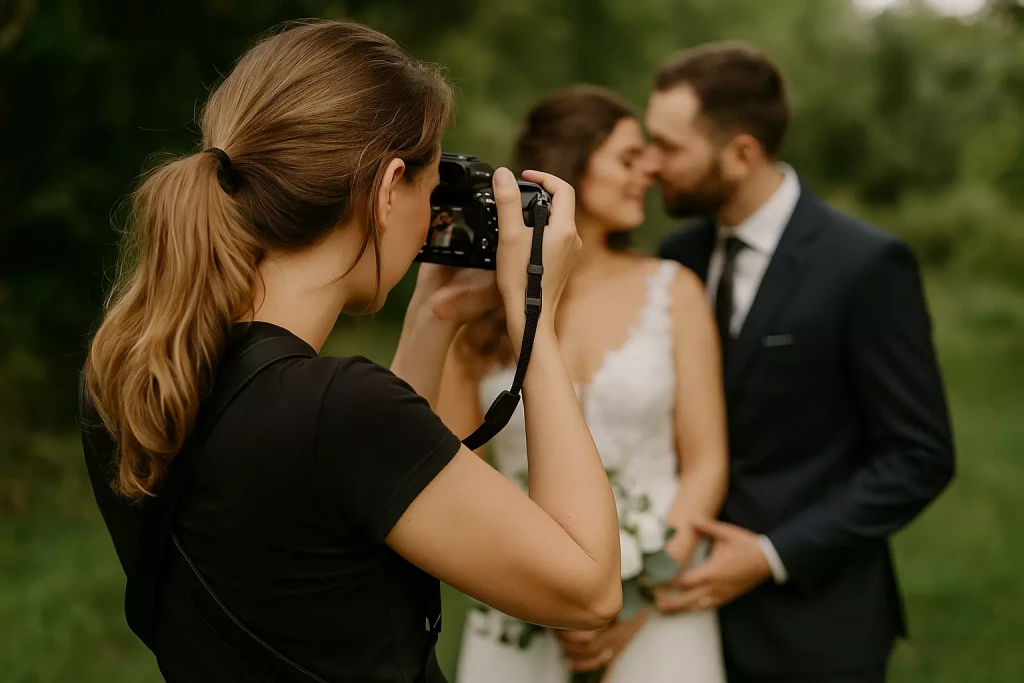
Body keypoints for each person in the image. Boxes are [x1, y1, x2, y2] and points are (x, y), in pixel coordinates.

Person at [78, 20, 623, 682]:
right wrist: (534, 316)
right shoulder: (336, 408)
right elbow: (589, 588)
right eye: (431, 187)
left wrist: (432, 315)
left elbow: (351, 493)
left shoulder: (131, 378)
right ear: (390, 188)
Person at [645, 42, 956, 683]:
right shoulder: (677, 257)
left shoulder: (865, 267)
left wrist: (769, 554)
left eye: (669, 147)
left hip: (816, 628)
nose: (650, 166)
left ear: (742, 153)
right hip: (680, 621)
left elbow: (918, 457)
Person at [440, 85, 729, 683]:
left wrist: (639, 595)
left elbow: (705, 465)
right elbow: (450, 465)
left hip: (657, 615)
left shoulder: (674, 291)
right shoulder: (484, 304)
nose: (648, 171)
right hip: (521, 601)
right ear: (570, 161)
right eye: (628, 158)